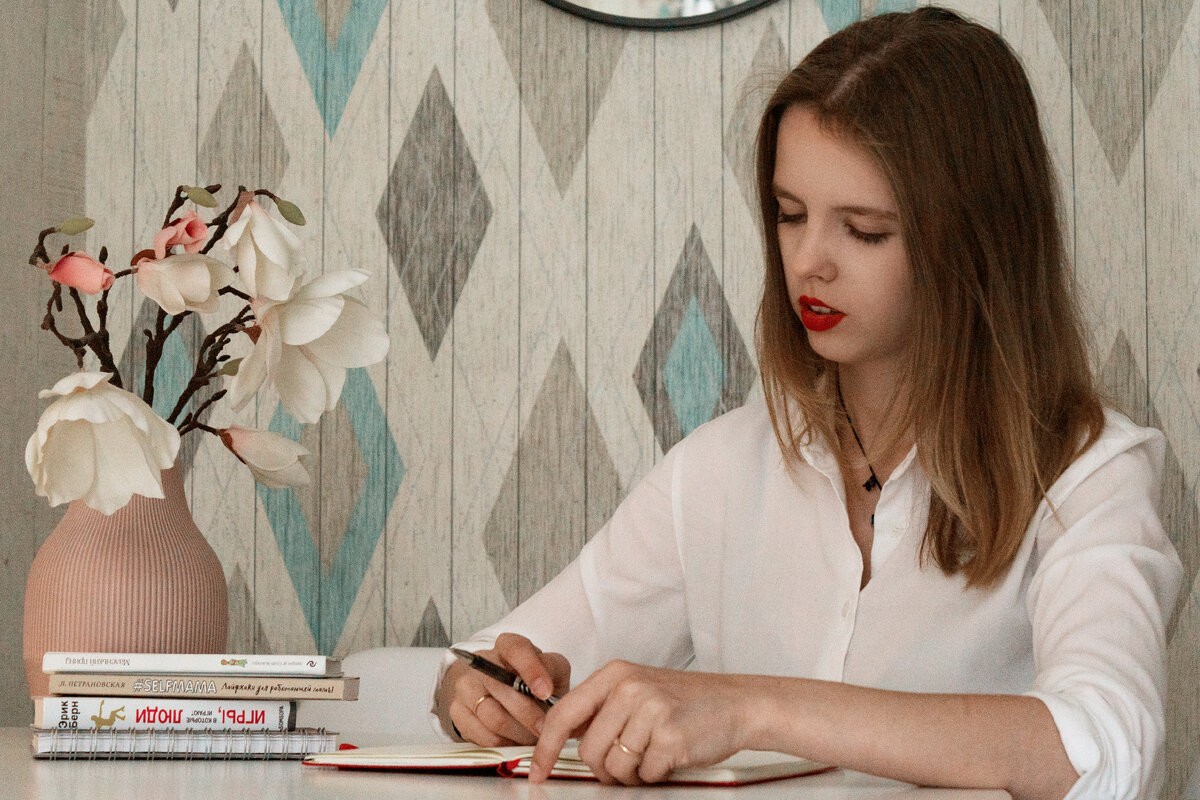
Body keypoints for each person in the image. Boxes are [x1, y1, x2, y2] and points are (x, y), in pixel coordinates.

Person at [430, 8, 1182, 799]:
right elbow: (494, 657)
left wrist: (752, 708)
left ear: (974, 242)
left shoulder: (1089, 476)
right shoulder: (719, 471)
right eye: (790, 215)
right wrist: (473, 690)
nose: (808, 262)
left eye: (864, 230)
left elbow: (1108, 753)